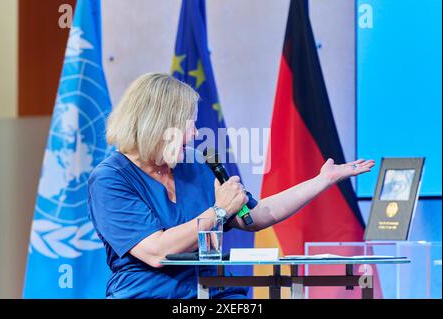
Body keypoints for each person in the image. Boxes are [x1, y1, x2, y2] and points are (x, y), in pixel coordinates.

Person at [87, 72, 375, 299]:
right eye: (190, 124)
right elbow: (158, 252)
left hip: (216, 293)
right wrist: (219, 211)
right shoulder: (110, 179)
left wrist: (323, 180)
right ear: (160, 125)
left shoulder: (197, 168)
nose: (196, 133)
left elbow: (260, 214)